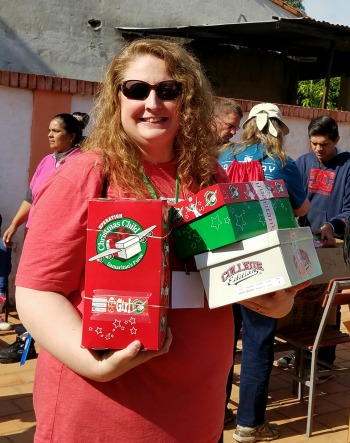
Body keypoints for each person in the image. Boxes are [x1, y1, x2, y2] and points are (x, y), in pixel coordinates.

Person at [15, 39, 308, 443]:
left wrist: (277, 300)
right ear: (116, 98)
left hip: (198, 418)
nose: (153, 103)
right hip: (105, 418)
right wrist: (97, 365)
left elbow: (247, 271)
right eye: (136, 90)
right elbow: (35, 290)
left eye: (169, 91)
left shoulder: (211, 177)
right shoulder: (84, 175)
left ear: (188, 100)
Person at [218, 103, 309, 443]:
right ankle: (250, 424)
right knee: (258, 341)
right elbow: (300, 208)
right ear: (277, 129)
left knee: (225, 339)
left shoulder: (223, 157)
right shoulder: (283, 162)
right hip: (266, 260)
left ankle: (218, 411)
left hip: (224, 258)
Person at [0, 112, 89, 364]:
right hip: (37, 235)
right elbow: (31, 197)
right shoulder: (46, 162)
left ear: (72, 136)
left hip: (64, 239)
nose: (50, 134)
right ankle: (30, 339)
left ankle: (38, 342)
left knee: (51, 291)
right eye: (49, 130)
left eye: (56, 131)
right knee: (30, 288)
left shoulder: (81, 163)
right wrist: (15, 224)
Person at [278, 115, 350, 377]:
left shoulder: (347, 166)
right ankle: (295, 352)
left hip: (334, 244)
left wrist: (333, 225)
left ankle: (323, 361)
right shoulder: (303, 163)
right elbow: (293, 199)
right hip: (304, 242)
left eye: (325, 144)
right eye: (314, 144)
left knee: (328, 302)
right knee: (301, 299)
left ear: (336, 141)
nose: (319, 149)